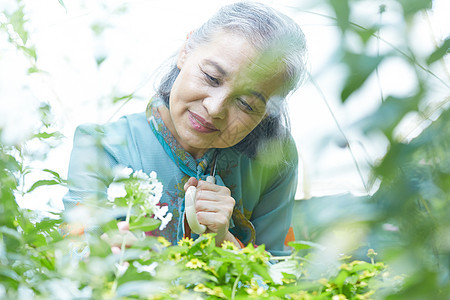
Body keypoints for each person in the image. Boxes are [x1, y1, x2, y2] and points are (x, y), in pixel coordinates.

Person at [63, 1, 307, 256]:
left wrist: (226, 243)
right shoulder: (101, 147)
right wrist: (107, 255)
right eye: (212, 78)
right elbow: (72, 253)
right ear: (186, 51)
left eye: (246, 104)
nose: (215, 109)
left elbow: (279, 273)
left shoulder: (273, 160)